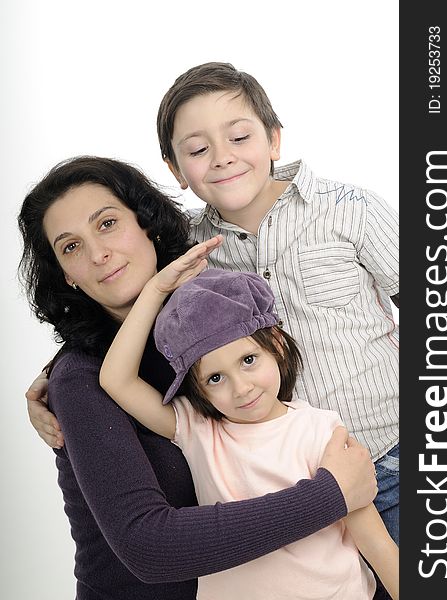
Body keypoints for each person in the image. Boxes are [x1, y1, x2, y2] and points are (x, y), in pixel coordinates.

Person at [27, 61, 399, 541]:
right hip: (288, 482)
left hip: (390, 449)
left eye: (239, 138)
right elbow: (126, 310)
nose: (222, 158)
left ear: (274, 140)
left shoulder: (352, 211)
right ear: (176, 170)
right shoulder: (192, 252)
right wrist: (53, 373)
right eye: (199, 150)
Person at [18, 156, 377, 600]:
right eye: (70, 247)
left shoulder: (213, 332)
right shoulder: (80, 379)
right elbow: (149, 547)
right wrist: (331, 495)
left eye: (107, 223)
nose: (97, 254)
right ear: (65, 277)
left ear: (147, 223)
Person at [99, 267, 399, 600]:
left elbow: (376, 543)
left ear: (277, 345)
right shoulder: (196, 428)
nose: (241, 388)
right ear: (198, 390)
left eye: (248, 359)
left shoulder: (320, 430)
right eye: (215, 378)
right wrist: (154, 290)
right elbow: (115, 379)